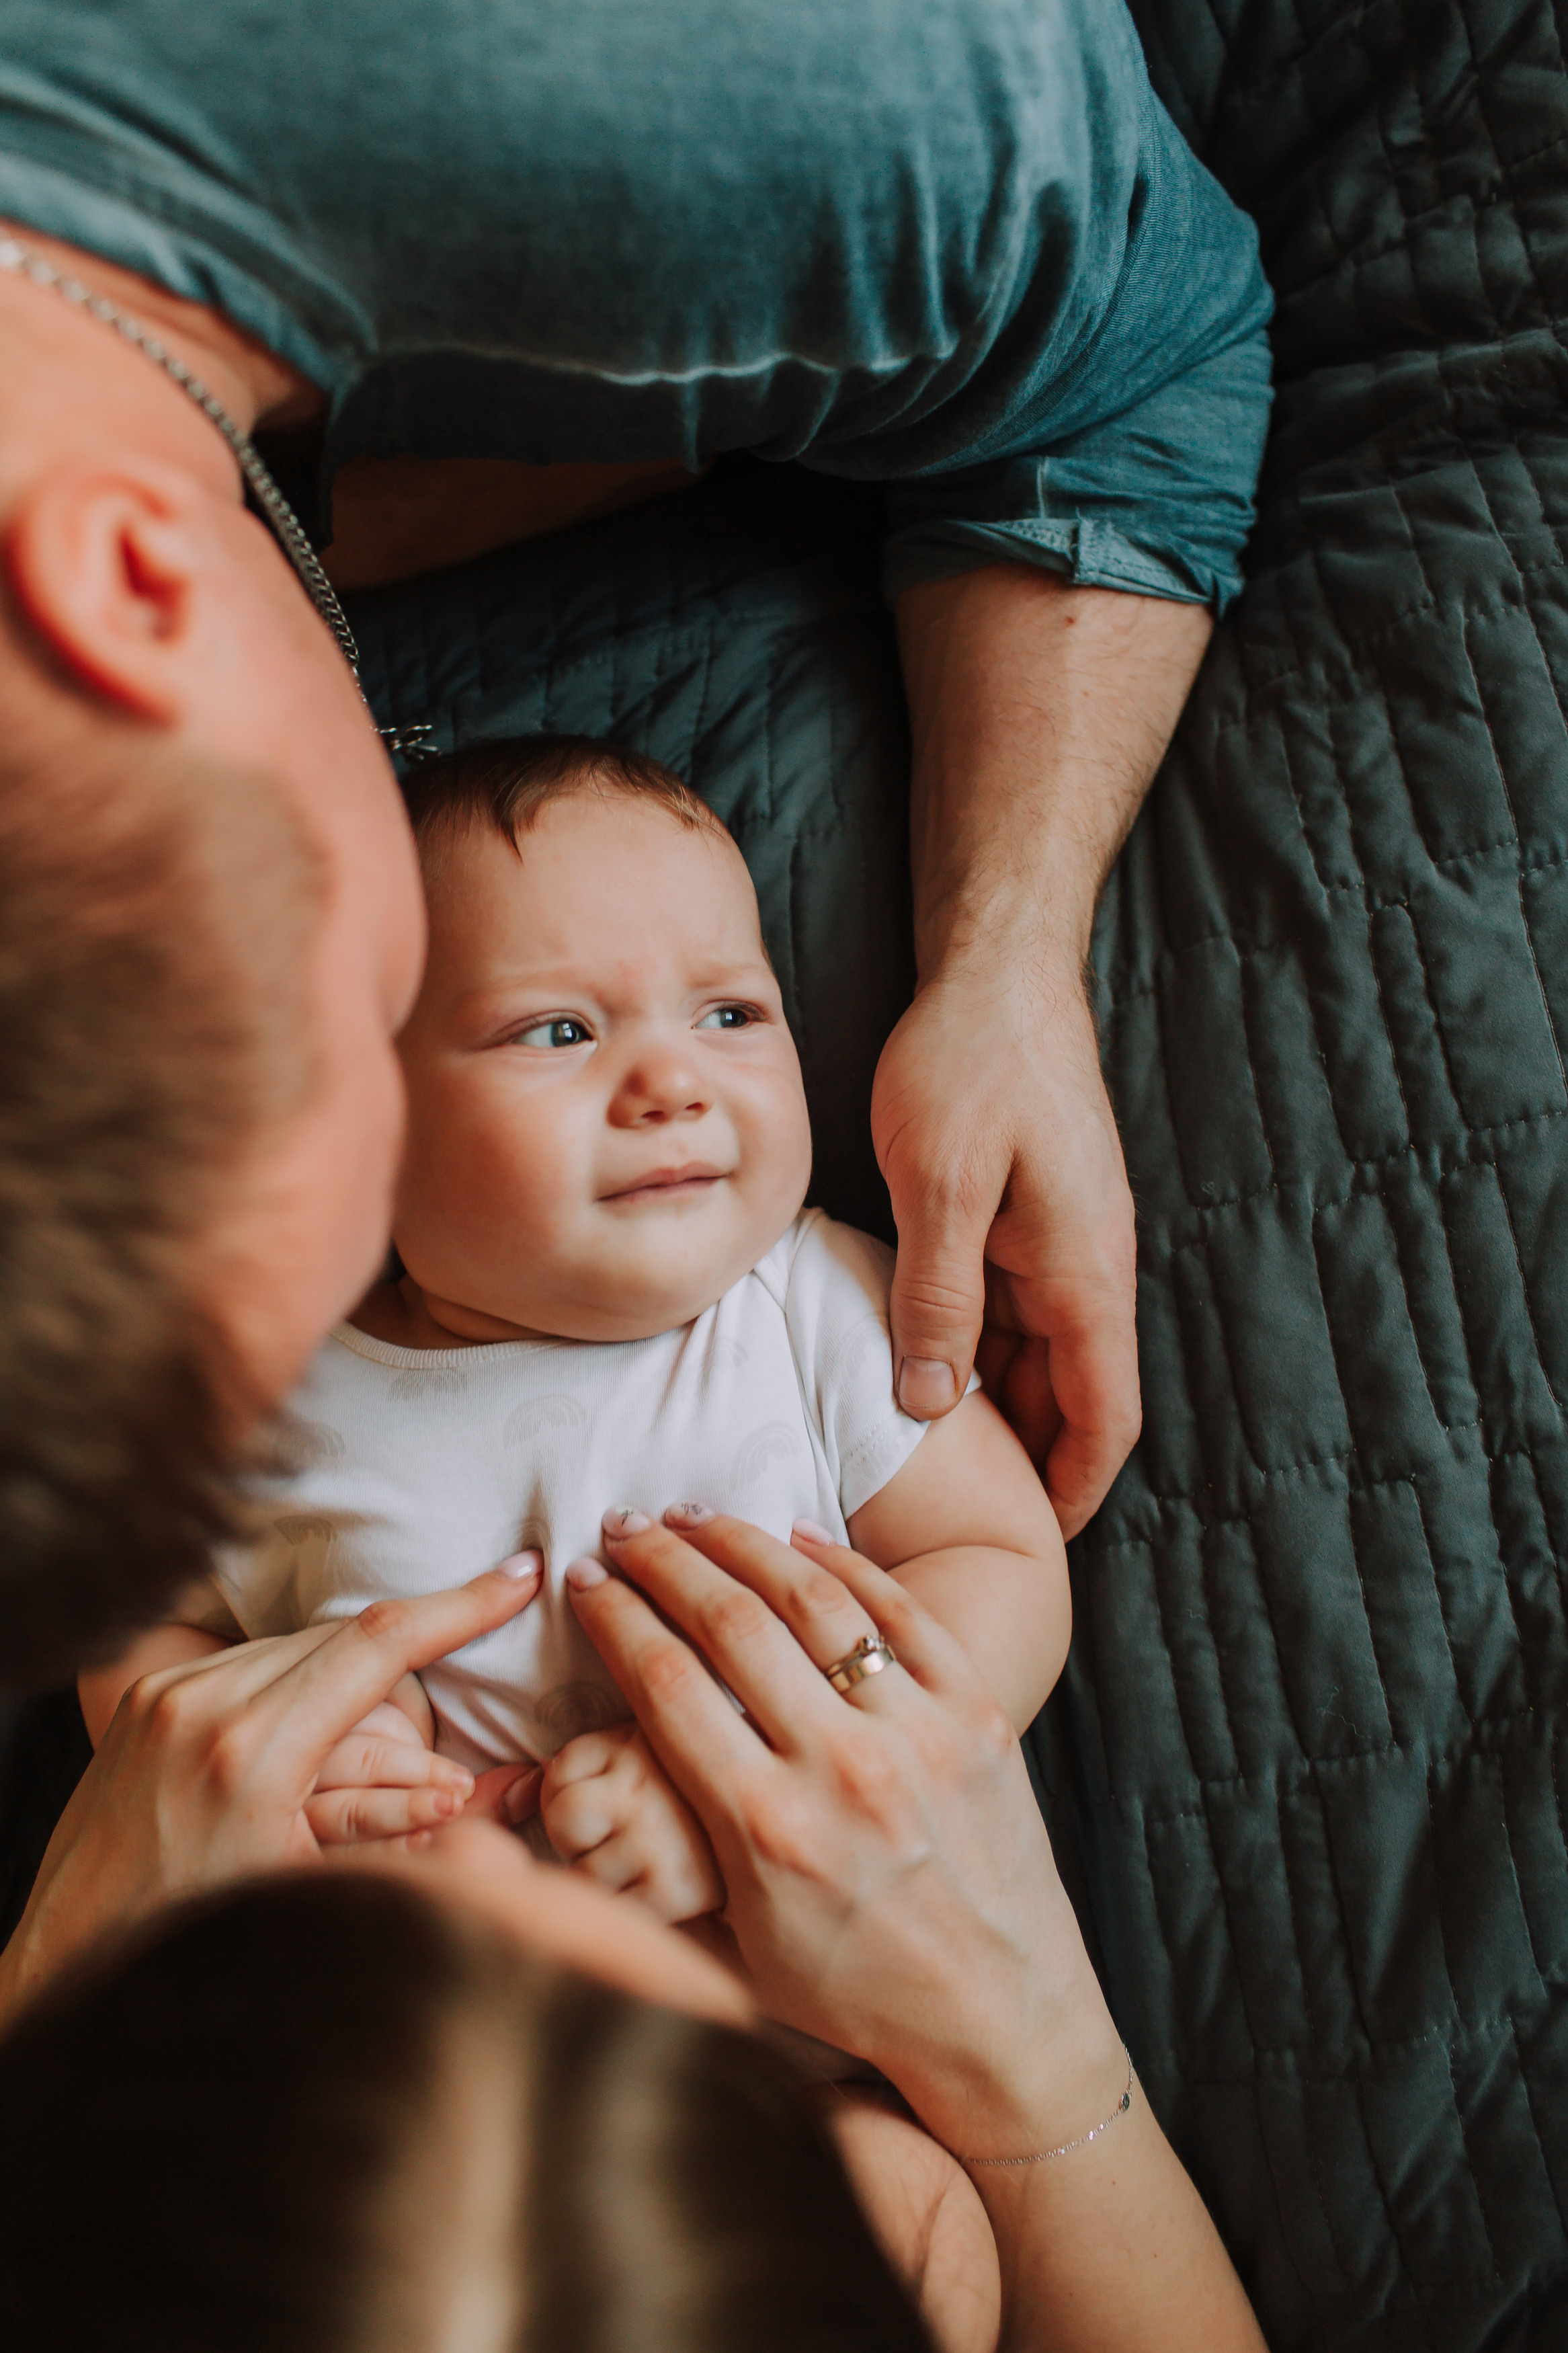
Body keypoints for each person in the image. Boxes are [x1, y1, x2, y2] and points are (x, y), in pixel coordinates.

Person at [0, 0, 1272, 1682]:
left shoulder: (824, 86)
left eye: (366, 1006)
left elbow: (1155, 352)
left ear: (132, 590)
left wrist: (1013, 957)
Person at [79, 737, 1067, 1923]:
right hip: (435, 2011)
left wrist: (738, 1774)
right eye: (558, 1030)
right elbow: (137, 1628)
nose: (673, 1081)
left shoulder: (813, 1306)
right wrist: (308, 1762)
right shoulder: (280, 1391)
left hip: (822, 1995)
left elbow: (998, 1562)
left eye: (730, 1012)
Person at [0, 1509, 1269, 2352]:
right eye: (574, 1928)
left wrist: (47, 2014)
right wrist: (1026, 2049)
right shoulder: (908, 2222)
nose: (500, 1826)